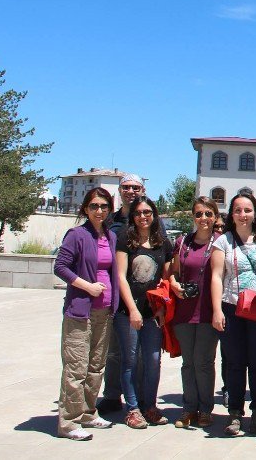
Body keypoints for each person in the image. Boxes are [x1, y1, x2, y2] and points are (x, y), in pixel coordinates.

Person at [210, 192, 256, 437]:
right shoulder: (223, 241)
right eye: (238, 210)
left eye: (247, 210)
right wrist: (217, 309)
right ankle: (235, 413)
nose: (243, 215)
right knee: (235, 363)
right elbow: (217, 276)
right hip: (231, 306)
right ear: (232, 214)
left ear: (255, 213)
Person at [54, 187, 120, 441]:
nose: (99, 210)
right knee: (76, 367)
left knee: (96, 366)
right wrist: (86, 286)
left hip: (105, 311)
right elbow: (60, 266)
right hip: (80, 312)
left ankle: (88, 412)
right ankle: (68, 423)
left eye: (104, 206)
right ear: (85, 208)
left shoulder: (110, 236)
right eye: (94, 206)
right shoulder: (77, 235)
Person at [113, 196, 173, 429]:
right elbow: (120, 276)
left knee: (153, 360)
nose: (143, 216)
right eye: (138, 213)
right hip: (128, 311)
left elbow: (166, 279)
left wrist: (161, 308)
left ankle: (150, 405)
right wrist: (132, 310)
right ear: (133, 216)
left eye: (147, 212)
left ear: (154, 214)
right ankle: (132, 408)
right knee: (130, 360)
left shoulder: (162, 243)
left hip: (152, 313)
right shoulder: (124, 239)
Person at [97, 173, 147, 415]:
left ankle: (136, 398)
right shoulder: (109, 221)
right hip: (113, 292)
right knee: (114, 350)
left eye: (135, 187)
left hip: (141, 294)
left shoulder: (149, 219)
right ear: (119, 191)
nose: (130, 191)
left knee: (139, 353)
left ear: (143, 190)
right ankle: (111, 394)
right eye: (126, 187)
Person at [170, 196, 220, 429]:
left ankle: (206, 409)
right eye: (199, 214)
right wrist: (174, 285)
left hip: (209, 311)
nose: (203, 218)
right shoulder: (183, 242)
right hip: (184, 310)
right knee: (188, 363)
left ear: (215, 217)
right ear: (193, 216)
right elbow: (172, 271)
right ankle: (189, 408)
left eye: (208, 214)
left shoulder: (221, 242)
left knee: (204, 362)